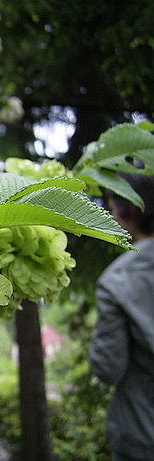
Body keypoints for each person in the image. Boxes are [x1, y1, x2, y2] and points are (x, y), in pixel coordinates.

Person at [89, 172, 154, 461]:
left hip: (143, 433)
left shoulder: (118, 278)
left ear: (131, 211)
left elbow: (107, 367)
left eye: (113, 209)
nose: (112, 219)